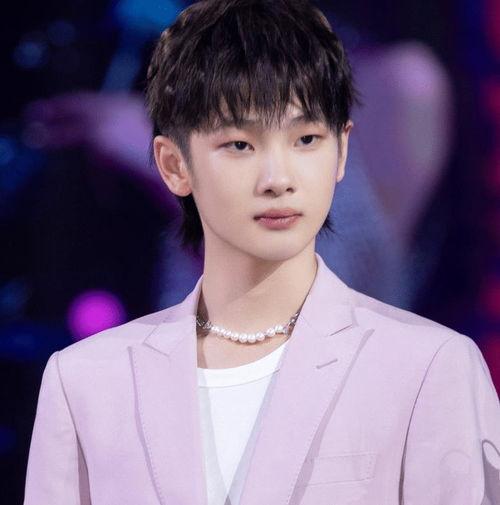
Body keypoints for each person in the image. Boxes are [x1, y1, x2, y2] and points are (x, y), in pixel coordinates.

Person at [23, 1, 500, 504]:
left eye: (306, 140)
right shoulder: (85, 381)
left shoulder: (436, 367)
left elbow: (360, 275)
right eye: (238, 144)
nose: (276, 178)